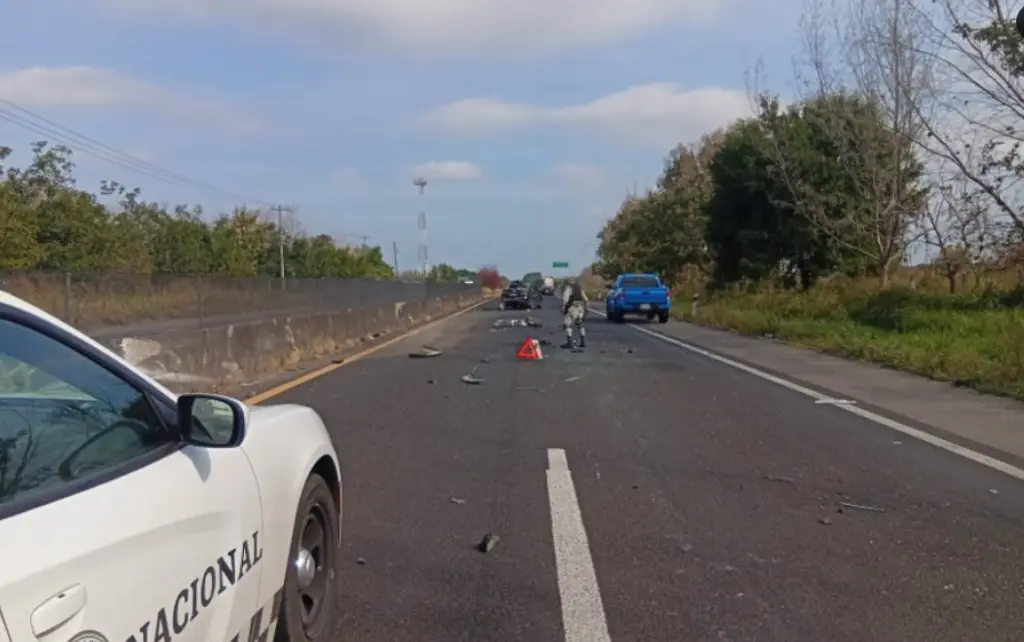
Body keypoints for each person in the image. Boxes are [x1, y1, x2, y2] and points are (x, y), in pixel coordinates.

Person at [560, 277, 588, 349]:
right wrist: (585, 309)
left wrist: (564, 308)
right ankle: (582, 342)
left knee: (568, 325)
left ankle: (569, 343)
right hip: (580, 308)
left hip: (572, 308)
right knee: (580, 324)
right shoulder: (579, 287)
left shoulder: (569, 288)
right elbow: (586, 299)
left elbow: (566, 299)